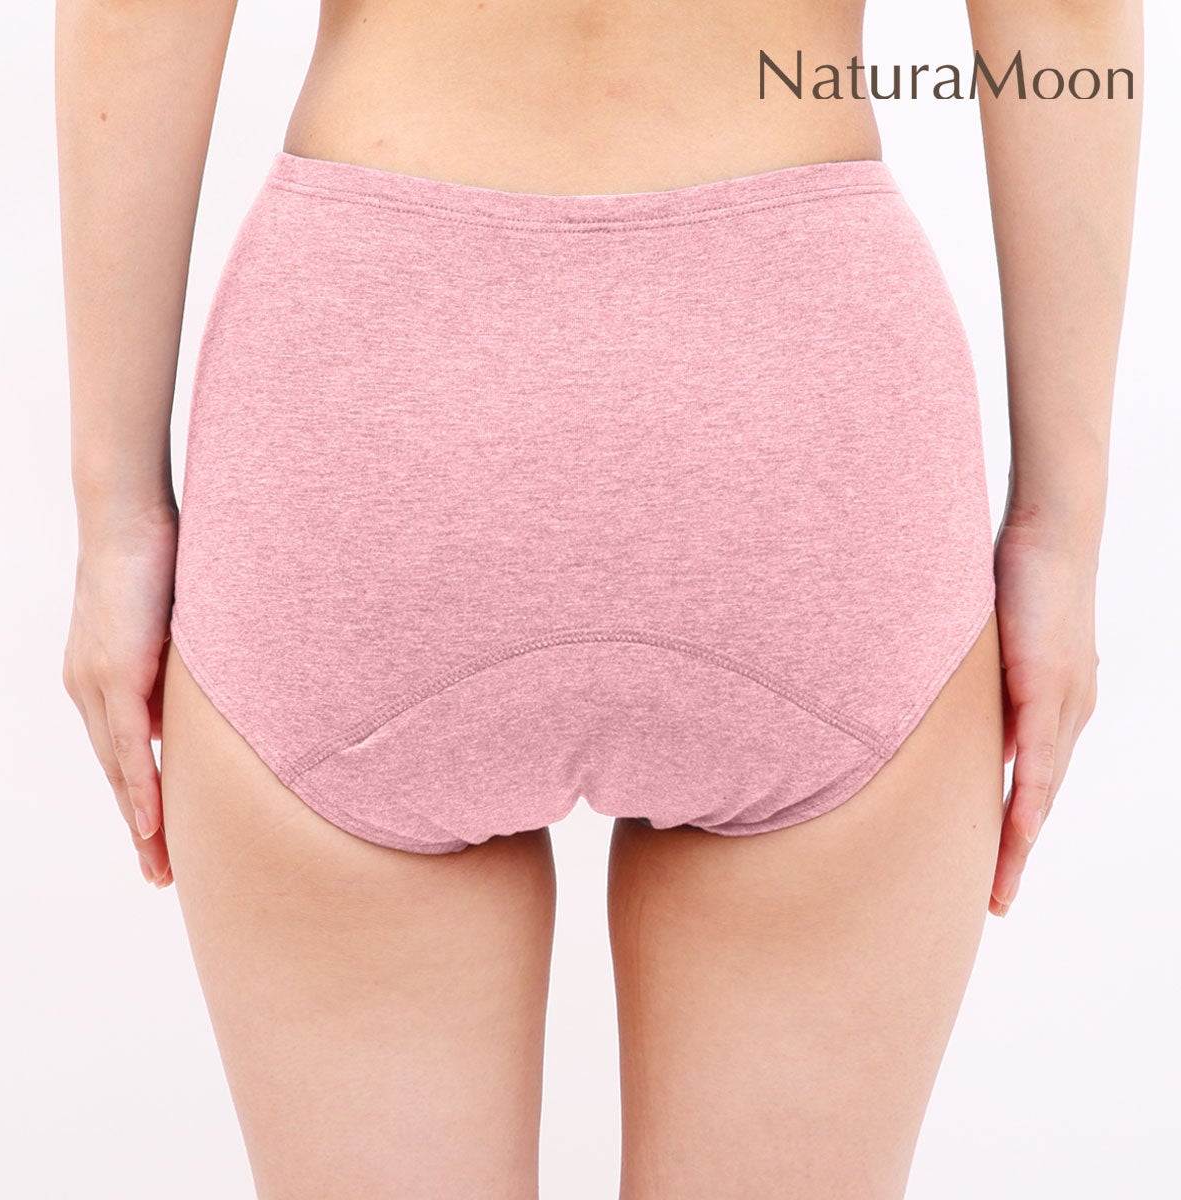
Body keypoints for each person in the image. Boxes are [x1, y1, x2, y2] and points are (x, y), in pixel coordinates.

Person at [56, 1, 1141, 1196]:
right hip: (798, 400)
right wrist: (1060, 531)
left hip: (371, 394)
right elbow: (1068, 20)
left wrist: (116, 518)